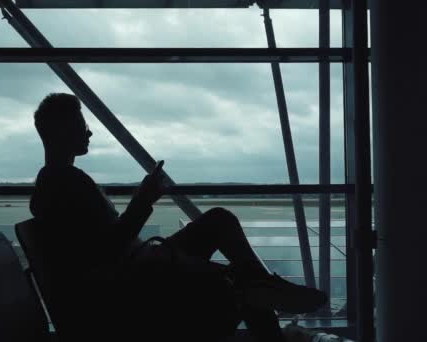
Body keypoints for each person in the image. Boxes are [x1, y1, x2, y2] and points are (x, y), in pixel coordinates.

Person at [29, 93, 327, 342]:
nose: (89, 131)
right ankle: (267, 290)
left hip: (139, 267)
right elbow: (109, 249)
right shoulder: (67, 183)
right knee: (229, 250)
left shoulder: (56, 183)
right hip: (137, 277)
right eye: (81, 125)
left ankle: (266, 289)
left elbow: (97, 250)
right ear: (61, 131)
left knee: (223, 232)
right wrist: (143, 201)